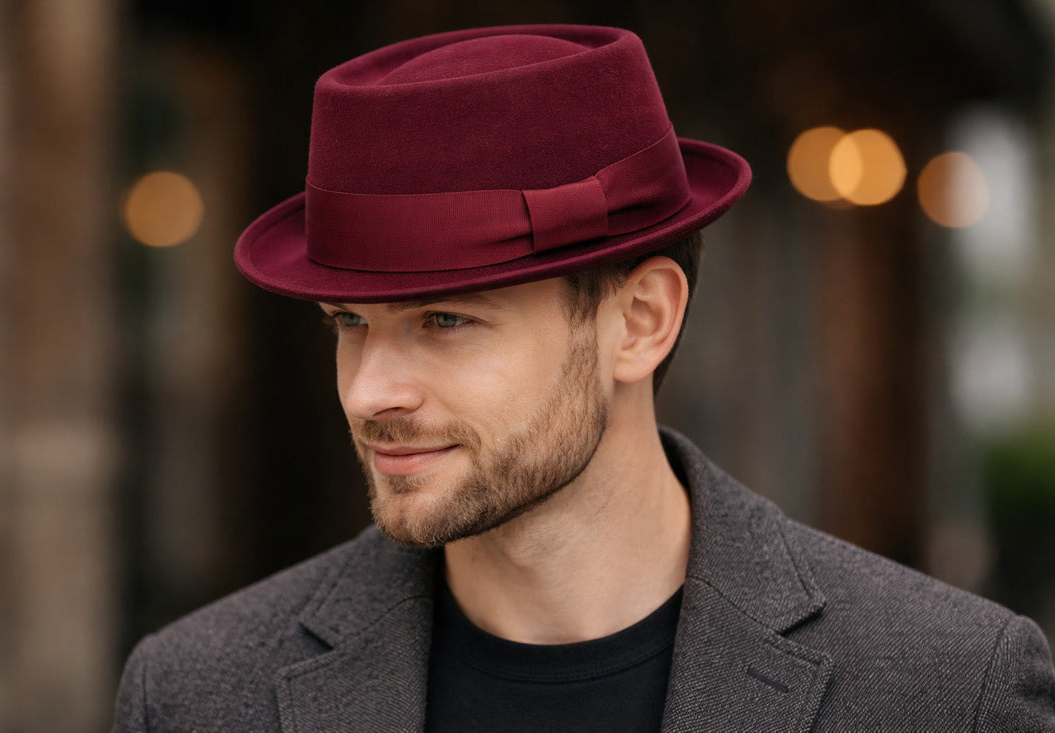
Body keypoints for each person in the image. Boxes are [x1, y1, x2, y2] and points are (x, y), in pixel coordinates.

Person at [113, 24, 1055, 732]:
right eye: (349, 324)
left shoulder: (946, 690)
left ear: (639, 322)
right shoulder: (196, 695)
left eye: (446, 320)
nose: (368, 393)